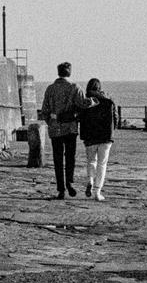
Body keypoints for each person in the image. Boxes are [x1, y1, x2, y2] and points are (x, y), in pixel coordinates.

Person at [39, 61, 96, 199]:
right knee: (70, 158)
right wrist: (94, 100)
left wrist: (52, 122)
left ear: (58, 72)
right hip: (70, 128)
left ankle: (61, 189)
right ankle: (69, 182)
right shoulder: (74, 87)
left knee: (58, 159)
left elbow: (44, 111)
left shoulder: (50, 89)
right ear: (69, 72)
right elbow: (83, 103)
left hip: (55, 129)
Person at [78, 78, 117, 201]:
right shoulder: (109, 101)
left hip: (90, 137)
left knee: (91, 161)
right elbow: (115, 118)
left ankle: (90, 180)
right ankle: (97, 191)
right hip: (105, 137)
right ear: (99, 88)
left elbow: (81, 118)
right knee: (102, 164)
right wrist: (112, 130)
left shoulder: (86, 102)